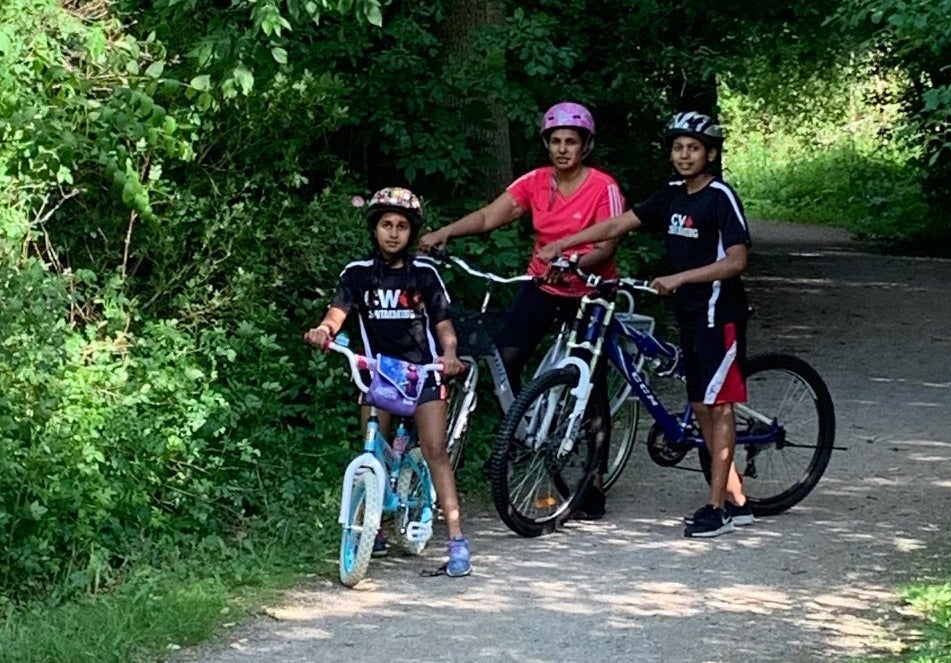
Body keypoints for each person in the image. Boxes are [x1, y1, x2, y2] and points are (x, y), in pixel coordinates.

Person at [537, 111, 755, 538]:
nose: (685, 155)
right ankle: (737, 501)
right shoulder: (672, 194)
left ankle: (718, 509)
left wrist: (680, 278)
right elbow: (621, 222)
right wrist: (565, 242)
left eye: (694, 148)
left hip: (718, 313)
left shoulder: (719, 197)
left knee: (718, 406)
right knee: (699, 406)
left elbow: (737, 261)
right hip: (689, 315)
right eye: (678, 148)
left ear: (710, 153)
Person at [419, 102, 624, 519]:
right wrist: (444, 233)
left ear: (586, 146)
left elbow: (608, 244)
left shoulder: (604, 187)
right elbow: (490, 215)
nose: (563, 149)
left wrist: (573, 262)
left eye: (571, 142)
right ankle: (525, 429)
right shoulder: (536, 182)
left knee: (592, 383)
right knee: (506, 354)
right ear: (546, 144)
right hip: (544, 283)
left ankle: (593, 479)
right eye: (555, 142)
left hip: (591, 288)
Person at [304, 187, 472, 575]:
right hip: (378, 371)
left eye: (401, 226)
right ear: (374, 229)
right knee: (370, 446)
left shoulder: (424, 274)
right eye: (385, 225)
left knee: (435, 451)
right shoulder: (357, 274)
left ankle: (457, 539)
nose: (393, 233)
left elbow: (444, 325)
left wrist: (448, 356)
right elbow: (336, 314)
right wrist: (323, 331)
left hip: (424, 373)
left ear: (412, 233)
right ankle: (371, 528)